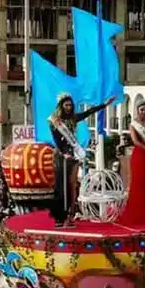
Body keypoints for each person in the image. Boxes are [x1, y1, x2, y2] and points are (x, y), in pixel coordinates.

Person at [47, 93, 116, 226]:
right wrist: (63, 152)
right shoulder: (55, 121)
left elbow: (89, 112)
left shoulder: (73, 118)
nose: (69, 107)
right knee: (61, 185)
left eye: (70, 105)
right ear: (61, 106)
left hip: (73, 154)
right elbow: (56, 139)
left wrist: (105, 105)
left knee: (72, 185)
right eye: (66, 105)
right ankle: (59, 216)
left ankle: (70, 214)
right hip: (61, 155)